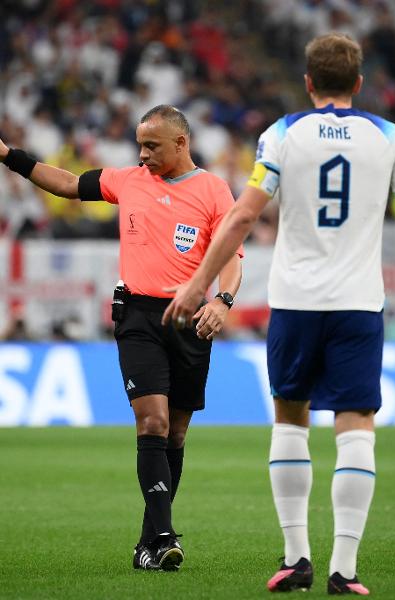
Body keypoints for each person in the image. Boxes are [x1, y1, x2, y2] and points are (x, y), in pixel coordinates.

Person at [162, 34, 395, 594]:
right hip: (358, 304)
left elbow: (244, 216)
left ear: (308, 83)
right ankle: (345, 570)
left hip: (295, 302)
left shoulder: (283, 133)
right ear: (359, 84)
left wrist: (199, 282)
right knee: (356, 427)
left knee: (290, 421)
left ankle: (297, 559)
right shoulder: (388, 136)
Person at [0, 104, 242, 572]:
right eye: (139, 144)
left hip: (191, 319)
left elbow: (231, 254)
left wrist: (222, 301)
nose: (142, 154)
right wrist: (9, 155)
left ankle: (148, 542)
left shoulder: (213, 190)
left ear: (181, 143)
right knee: (151, 422)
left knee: (175, 431)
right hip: (138, 315)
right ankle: (166, 535)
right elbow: (68, 184)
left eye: (152, 146)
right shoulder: (127, 180)